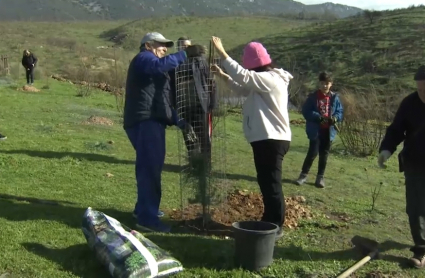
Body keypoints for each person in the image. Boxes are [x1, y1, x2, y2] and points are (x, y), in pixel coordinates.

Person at [211, 36, 292, 240]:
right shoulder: (263, 80)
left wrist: (223, 53)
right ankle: (269, 219)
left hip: (272, 139)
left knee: (272, 183)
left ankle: (276, 224)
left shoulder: (271, 79)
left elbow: (245, 77)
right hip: (265, 138)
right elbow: (242, 87)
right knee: (265, 181)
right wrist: (222, 75)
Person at [123, 32, 205, 233]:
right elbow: (158, 66)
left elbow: (162, 101)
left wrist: (178, 121)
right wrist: (185, 54)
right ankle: (147, 219)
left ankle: (143, 210)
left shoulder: (152, 64)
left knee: (149, 167)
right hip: (145, 121)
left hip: (150, 120)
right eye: (161, 45)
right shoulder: (145, 58)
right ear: (148, 45)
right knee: (150, 170)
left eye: (166, 45)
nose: (165, 48)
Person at [378, 65, 425, 268]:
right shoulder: (410, 103)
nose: (423, 93)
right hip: (415, 162)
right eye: (420, 89)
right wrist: (386, 149)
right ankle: (421, 250)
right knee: (415, 208)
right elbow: (397, 129)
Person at [169, 37, 215, 166]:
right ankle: (193, 163)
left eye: (188, 46)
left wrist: (212, 102)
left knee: (203, 136)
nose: (185, 49)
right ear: (178, 48)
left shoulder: (200, 62)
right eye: (182, 47)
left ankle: (206, 164)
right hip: (182, 104)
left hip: (200, 104)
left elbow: (211, 82)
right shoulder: (174, 64)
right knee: (188, 135)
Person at [295, 72, 343, 188]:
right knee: (312, 152)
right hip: (316, 130)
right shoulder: (313, 97)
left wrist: (335, 118)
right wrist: (318, 117)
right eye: (322, 83)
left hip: (328, 131)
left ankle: (320, 178)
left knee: (324, 155)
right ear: (319, 83)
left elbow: (340, 111)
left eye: (327, 83)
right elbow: (306, 111)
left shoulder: (334, 98)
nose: (324, 86)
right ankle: (303, 175)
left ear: (331, 84)